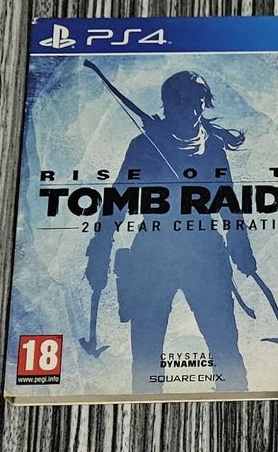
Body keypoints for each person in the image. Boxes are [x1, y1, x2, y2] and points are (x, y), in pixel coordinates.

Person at [84, 70, 256, 392]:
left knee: (225, 351)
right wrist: (100, 249)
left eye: (196, 100)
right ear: (167, 104)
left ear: (203, 103)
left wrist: (240, 245)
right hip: (152, 257)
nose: (189, 108)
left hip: (205, 256)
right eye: (180, 101)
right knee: (146, 360)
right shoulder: (143, 146)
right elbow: (117, 200)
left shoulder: (213, 147)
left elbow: (227, 202)